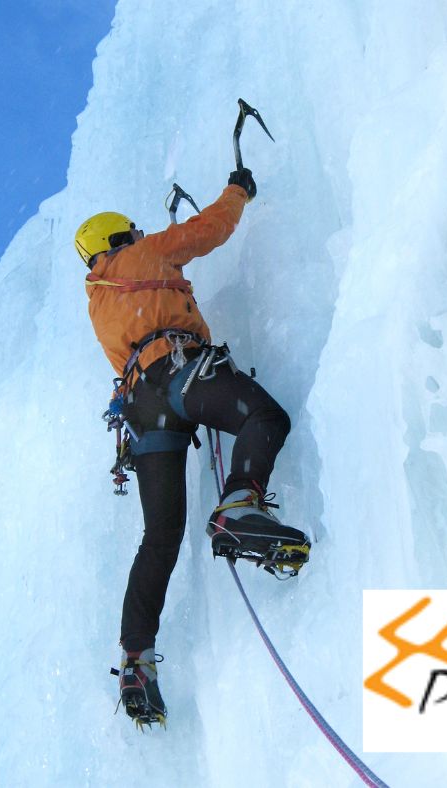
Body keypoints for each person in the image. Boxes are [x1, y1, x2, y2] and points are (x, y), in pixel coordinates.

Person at [75, 168, 298, 727]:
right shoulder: (144, 254)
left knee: (160, 536)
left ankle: (136, 660)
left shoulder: (98, 304)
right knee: (266, 416)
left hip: (143, 412)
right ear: (120, 239)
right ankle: (239, 506)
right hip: (180, 370)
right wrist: (238, 191)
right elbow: (207, 231)